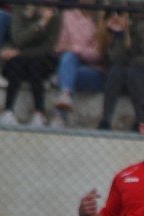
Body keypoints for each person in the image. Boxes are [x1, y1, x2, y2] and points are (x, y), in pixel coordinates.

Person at [0, 4, 60, 127]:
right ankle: (8, 111)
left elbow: (47, 48)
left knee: (35, 65)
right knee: (16, 64)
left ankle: (39, 113)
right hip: (18, 60)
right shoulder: (21, 9)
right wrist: (40, 25)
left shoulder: (55, 16)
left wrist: (20, 52)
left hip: (42, 60)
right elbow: (18, 39)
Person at [97, 4, 144, 131]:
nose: (116, 17)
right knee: (115, 72)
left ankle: (141, 120)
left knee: (133, 74)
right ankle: (105, 120)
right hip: (126, 69)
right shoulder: (119, 32)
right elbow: (115, 58)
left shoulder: (142, 26)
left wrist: (130, 63)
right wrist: (120, 35)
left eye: (119, 14)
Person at [51, 0, 106, 128]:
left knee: (66, 74)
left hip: (94, 69)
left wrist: (75, 48)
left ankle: (60, 114)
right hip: (70, 62)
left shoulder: (101, 18)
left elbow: (98, 54)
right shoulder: (68, 15)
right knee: (68, 58)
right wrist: (69, 49)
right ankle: (63, 104)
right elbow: (60, 46)